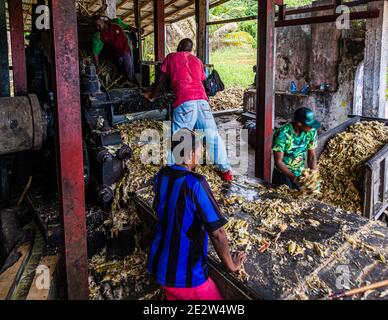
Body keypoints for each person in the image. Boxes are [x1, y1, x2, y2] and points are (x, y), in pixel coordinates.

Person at [148, 129, 246, 300]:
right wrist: (231, 265)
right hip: (185, 277)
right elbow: (217, 233)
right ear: (187, 157)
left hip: (158, 265)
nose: (201, 152)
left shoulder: (161, 175)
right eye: (199, 149)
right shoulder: (195, 183)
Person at [142, 38, 233, 181]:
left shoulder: (171, 57)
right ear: (191, 50)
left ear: (178, 47)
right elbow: (202, 83)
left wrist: (152, 96)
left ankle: (174, 172)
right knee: (212, 136)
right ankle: (226, 171)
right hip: (203, 102)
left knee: (179, 138)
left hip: (185, 102)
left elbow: (161, 79)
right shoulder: (197, 61)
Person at [272, 107, 320, 190]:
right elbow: (278, 162)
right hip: (283, 173)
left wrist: (313, 177)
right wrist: (294, 179)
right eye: (309, 125)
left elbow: (312, 157)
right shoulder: (282, 134)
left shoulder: (311, 132)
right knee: (285, 198)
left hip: (299, 171)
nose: (312, 127)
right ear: (299, 123)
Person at [92, 16, 137, 83]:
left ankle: (133, 85)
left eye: (99, 25)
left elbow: (128, 27)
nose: (98, 27)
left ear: (102, 21)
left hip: (126, 49)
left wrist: (137, 30)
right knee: (122, 71)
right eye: (96, 26)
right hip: (116, 53)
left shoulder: (116, 23)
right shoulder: (98, 35)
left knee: (129, 69)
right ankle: (126, 85)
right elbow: (95, 51)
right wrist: (97, 65)